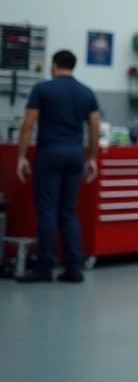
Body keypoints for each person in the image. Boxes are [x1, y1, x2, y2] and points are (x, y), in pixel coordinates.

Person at [15, 49, 101, 284]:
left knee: (47, 210)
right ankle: (74, 267)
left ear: (53, 65)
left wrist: (21, 156)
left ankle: (44, 267)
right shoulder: (86, 92)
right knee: (67, 211)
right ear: (73, 66)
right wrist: (92, 158)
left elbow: (28, 124)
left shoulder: (42, 89)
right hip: (75, 154)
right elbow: (94, 127)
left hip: (50, 153)